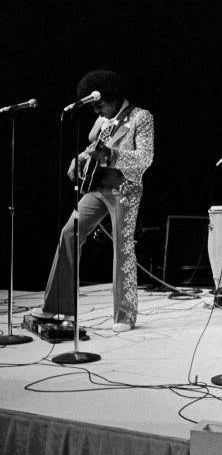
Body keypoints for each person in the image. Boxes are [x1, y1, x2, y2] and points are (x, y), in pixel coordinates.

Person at [32, 70, 154, 332]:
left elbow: (145, 158)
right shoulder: (102, 121)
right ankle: (56, 305)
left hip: (125, 188)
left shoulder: (141, 117)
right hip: (97, 187)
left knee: (123, 247)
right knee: (69, 233)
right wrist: (81, 158)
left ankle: (125, 315)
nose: (98, 110)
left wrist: (110, 154)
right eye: (95, 107)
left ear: (113, 96)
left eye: (101, 105)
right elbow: (92, 147)